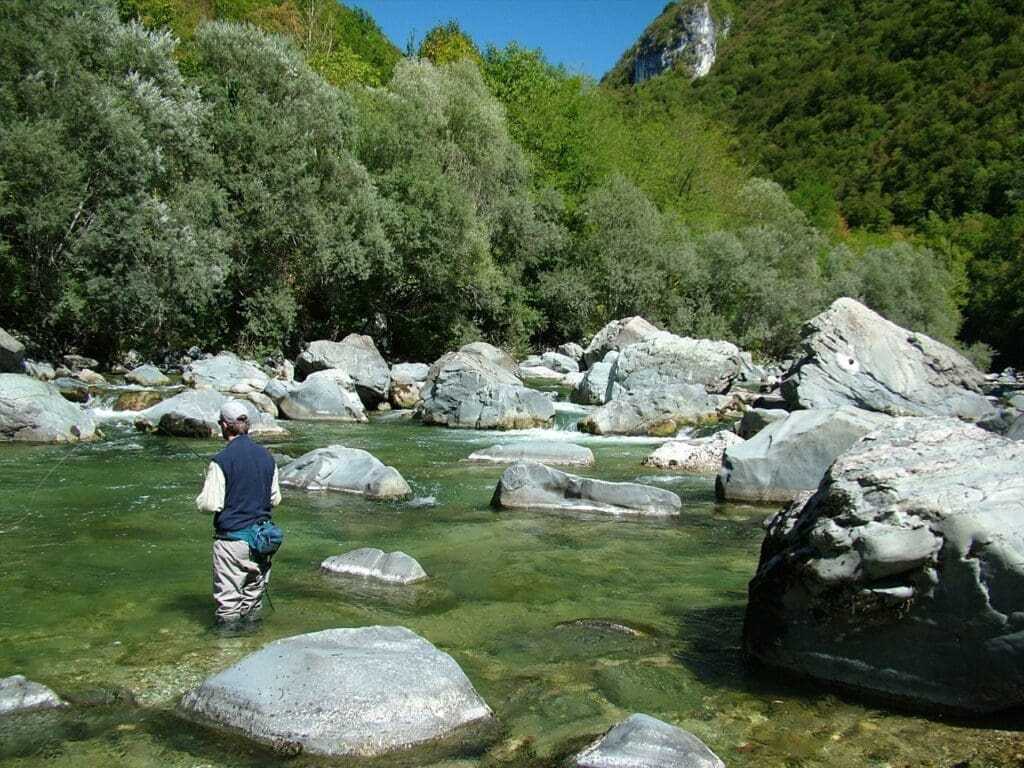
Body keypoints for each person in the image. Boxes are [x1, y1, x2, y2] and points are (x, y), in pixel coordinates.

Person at [195, 400, 281, 624]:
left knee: (229, 606)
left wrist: (206, 484)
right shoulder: (268, 457)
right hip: (262, 541)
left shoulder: (221, 461)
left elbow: (209, 505)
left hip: (231, 542)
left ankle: (228, 649)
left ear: (224, 425)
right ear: (247, 425)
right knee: (253, 602)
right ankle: (252, 645)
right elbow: (275, 499)